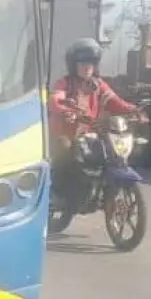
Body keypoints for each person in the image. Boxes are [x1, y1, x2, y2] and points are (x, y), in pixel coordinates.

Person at [48, 38, 144, 206]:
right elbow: (55, 100)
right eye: (83, 63)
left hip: (90, 132)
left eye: (91, 63)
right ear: (73, 65)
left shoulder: (98, 84)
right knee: (65, 151)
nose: (87, 67)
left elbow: (115, 102)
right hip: (65, 133)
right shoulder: (65, 83)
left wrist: (134, 110)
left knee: (109, 152)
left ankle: (100, 187)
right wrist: (67, 111)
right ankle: (57, 194)